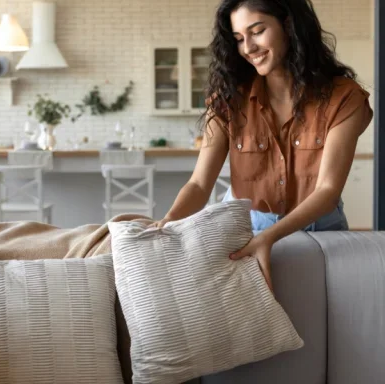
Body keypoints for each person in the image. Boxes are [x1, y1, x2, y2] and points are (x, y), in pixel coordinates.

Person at [152, 0, 373, 291]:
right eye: (239, 39)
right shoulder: (228, 100)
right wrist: (168, 222)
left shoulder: (345, 97)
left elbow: (328, 191)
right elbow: (199, 184)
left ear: (290, 26)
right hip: (249, 230)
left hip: (323, 233)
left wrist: (269, 238)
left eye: (257, 31)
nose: (248, 48)